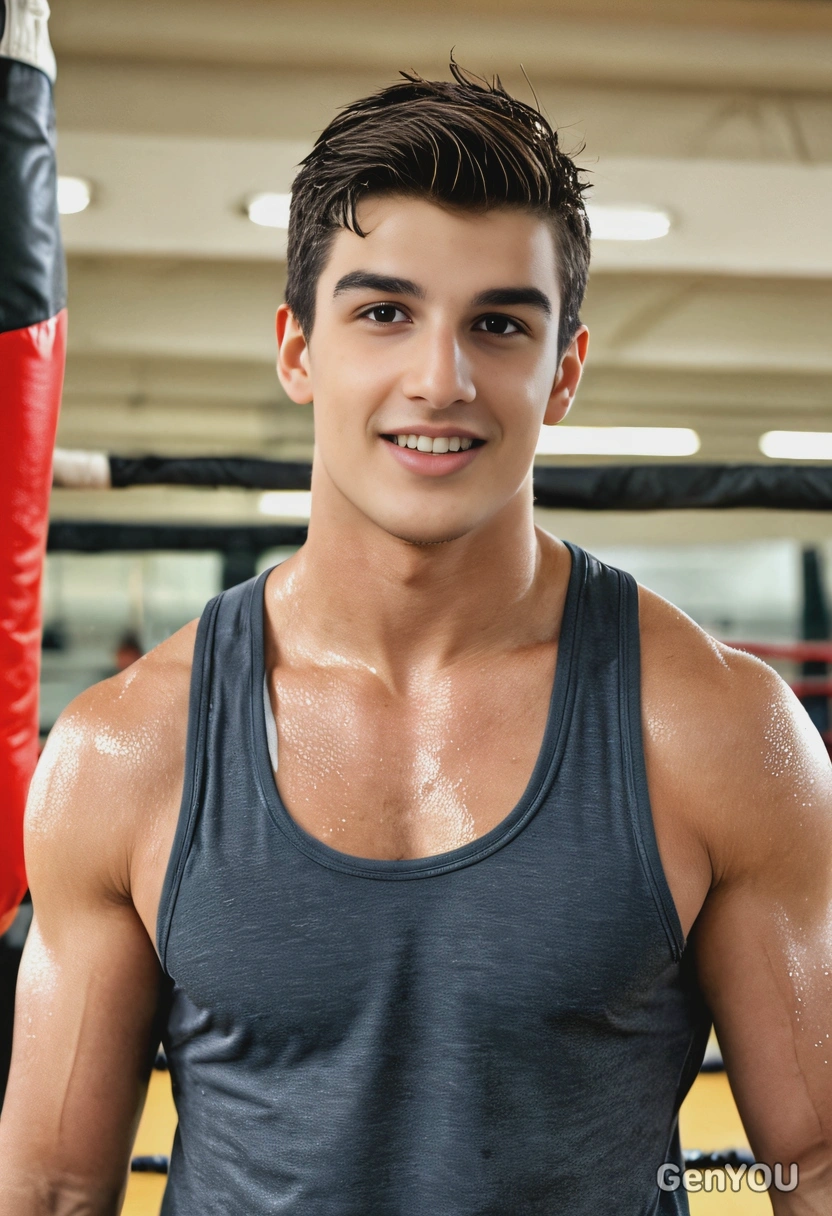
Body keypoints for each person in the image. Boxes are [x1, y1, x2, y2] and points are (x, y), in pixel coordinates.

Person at [2, 63, 832, 1216]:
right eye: (383, 312)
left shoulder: (717, 731)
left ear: (566, 371)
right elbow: (49, 1188)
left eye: (499, 324)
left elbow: (817, 1159)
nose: (439, 379)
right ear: (298, 349)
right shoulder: (127, 751)